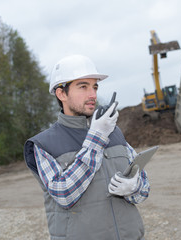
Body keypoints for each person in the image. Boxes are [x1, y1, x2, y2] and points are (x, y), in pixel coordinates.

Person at [24, 54, 150, 240]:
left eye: (95, 87)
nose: (93, 94)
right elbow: (65, 195)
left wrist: (135, 187)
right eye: (83, 87)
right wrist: (96, 138)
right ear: (61, 93)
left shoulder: (113, 132)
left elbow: (144, 188)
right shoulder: (44, 144)